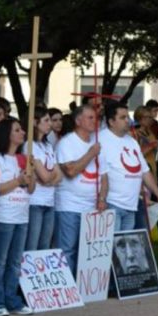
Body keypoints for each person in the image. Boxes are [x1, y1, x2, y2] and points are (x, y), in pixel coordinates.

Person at [0, 118, 35, 316]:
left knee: (15, 262)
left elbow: (30, 189)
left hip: (22, 216)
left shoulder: (23, 159)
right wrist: (18, 180)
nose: (22, 132)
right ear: (7, 134)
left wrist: (29, 176)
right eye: (17, 129)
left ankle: (11, 298)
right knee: (0, 262)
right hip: (4, 216)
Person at [100, 102, 158, 232]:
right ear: (111, 121)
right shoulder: (100, 139)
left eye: (128, 116)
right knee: (111, 247)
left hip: (131, 205)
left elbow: (145, 171)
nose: (128, 120)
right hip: (111, 203)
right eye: (123, 118)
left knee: (125, 247)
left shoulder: (132, 141)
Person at [55, 105, 108, 274]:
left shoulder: (96, 144)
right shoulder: (66, 142)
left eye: (96, 117)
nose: (95, 121)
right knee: (67, 249)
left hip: (91, 207)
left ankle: (80, 288)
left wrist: (102, 198)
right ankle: (67, 289)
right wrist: (91, 154)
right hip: (69, 206)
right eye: (90, 117)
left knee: (85, 251)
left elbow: (104, 176)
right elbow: (70, 171)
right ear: (78, 121)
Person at [26, 107, 62, 251]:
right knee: (32, 246)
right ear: (35, 122)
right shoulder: (30, 146)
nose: (50, 124)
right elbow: (47, 176)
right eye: (46, 120)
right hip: (34, 202)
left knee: (44, 247)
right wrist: (48, 176)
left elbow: (57, 176)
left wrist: (47, 178)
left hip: (49, 201)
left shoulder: (48, 146)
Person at [133, 105, 158, 178]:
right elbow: (135, 154)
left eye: (151, 117)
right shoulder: (135, 133)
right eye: (148, 117)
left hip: (152, 167)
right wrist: (152, 146)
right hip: (142, 170)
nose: (151, 119)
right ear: (140, 118)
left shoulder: (150, 132)